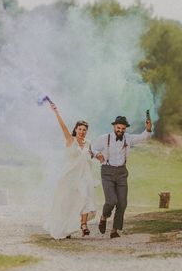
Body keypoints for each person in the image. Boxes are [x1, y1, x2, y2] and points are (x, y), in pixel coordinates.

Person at [91, 115, 152, 238]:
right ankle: (103, 217)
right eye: (118, 127)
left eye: (123, 128)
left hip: (122, 173)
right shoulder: (104, 138)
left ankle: (114, 230)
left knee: (122, 203)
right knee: (111, 201)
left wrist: (148, 129)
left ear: (125, 129)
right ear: (114, 126)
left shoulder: (128, 138)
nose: (120, 130)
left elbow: (142, 138)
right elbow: (92, 147)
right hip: (107, 172)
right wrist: (98, 155)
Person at [43, 102, 97, 239]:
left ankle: (84, 225)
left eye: (84, 129)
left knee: (85, 196)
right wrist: (56, 112)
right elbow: (63, 126)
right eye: (80, 129)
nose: (82, 131)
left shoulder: (89, 143)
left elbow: (90, 156)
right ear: (76, 129)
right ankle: (66, 228)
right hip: (69, 177)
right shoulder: (70, 140)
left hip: (83, 177)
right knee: (67, 203)